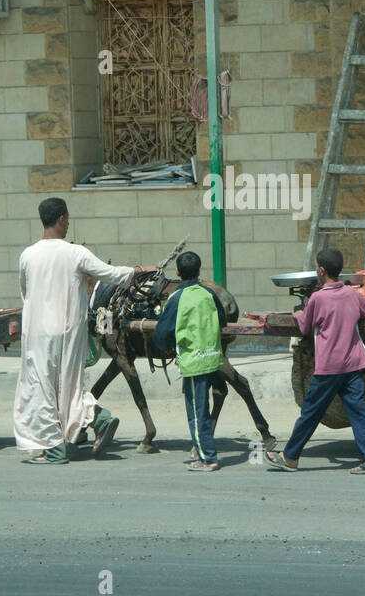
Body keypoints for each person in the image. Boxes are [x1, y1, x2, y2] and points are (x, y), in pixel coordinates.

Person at [13, 197, 156, 465]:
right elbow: (112, 274)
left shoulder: (27, 255)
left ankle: (54, 448)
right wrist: (141, 270)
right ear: (61, 219)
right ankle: (98, 418)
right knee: (69, 384)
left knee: (41, 387)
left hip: (37, 332)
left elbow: (25, 292)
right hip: (70, 331)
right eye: (67, 219)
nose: (68, 224)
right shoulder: (76, 253)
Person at [266, 248, 365, 475]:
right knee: (360, 411)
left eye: (316, 267)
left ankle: (290, 457)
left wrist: (298, 314)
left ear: (321, 271)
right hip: (353, 364)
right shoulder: (352, 294)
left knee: (311, 412)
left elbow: (304, 327)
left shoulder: (318, 298)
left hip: (329, 367)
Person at [152, 251, 228, 472]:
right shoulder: (208, 294)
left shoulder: (176, 298)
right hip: (212, 357)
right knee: (200, 409)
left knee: (197, 413)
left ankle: (208, 458)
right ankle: (203, 451)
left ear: (177, 272)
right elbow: (221, 319)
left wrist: (168, 345)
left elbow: (161, 334)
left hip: (194, 362)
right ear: (199, 271)